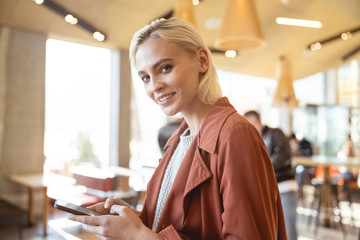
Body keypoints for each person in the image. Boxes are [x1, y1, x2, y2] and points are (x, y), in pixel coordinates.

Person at [69, 18, 287, 239]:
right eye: (145, 77)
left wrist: (137, 235)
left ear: (202, 61)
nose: (154, 86)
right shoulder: (179, 140)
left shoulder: (235, 134)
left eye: (165, 68)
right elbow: (181, 224)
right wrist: (132, 222)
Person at [244, 110, 297, 240]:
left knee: (288, 230)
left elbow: (284, 155)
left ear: (254, 121)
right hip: (268, 190)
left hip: (284, 186)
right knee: (274, 230)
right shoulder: (254, 139)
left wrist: (262, 168)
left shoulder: (275, 133)